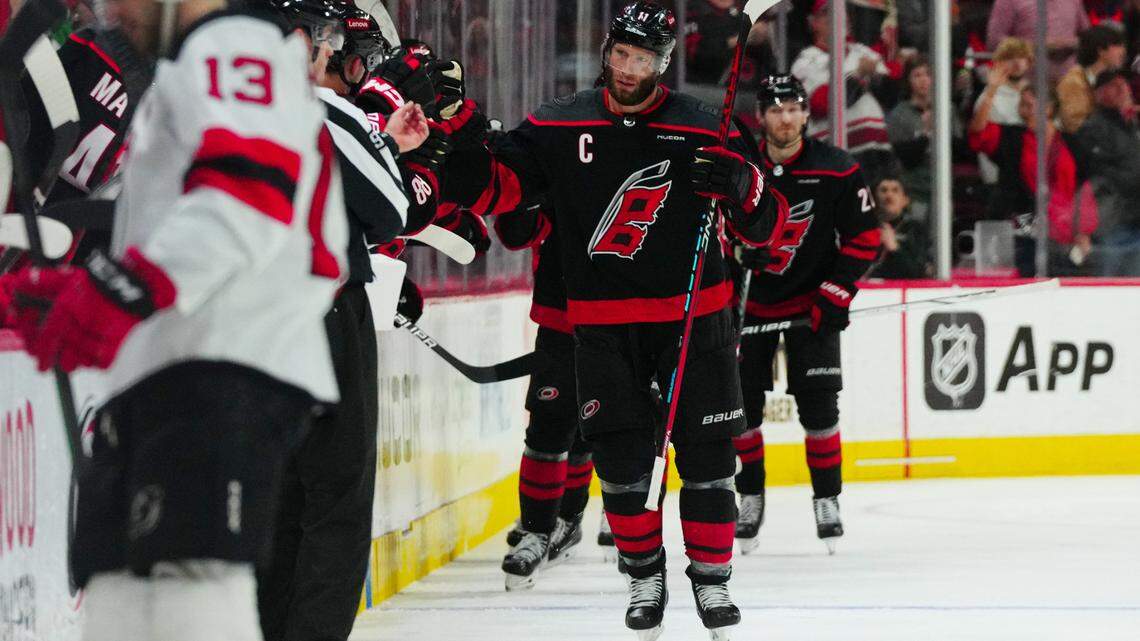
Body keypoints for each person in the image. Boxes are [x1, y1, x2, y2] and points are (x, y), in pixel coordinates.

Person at [1, 0, 349, 637]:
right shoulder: (196, 65)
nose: (108, 14)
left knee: (192, 576)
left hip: (223, 363)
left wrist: (115, 294)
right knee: (120, 577)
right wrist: (82, 289)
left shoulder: (234, 46)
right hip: (176, 363)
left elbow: (247, 198)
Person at [444, 3, 788, 639]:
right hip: (600, 324)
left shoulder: (704, 124)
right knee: (623, 464)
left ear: (662, 62)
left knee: (710, 461)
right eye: (621, 55)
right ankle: (643, 574)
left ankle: (712, 582)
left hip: (694, 320)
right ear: (608, 51)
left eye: (644, 59)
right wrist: (458, 130)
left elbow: (768, 228)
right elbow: (497, 189)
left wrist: (742, 184)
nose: (629, 69)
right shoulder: (555, 121)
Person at [255, 2, 427, 641]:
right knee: (335, 497)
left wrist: (385, 141)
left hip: (239, 325)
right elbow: (390, 211)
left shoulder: (203, 102)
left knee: (272, 496)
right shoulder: (324, 112)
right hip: (321, 316)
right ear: (306, 47)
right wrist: (386, 146)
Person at [733, 74, 880, 557]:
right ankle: (750, 497)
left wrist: (835, 293)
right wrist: (735, 254)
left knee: (820, 409)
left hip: (811, 306)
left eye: (793, 108)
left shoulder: (836, 169)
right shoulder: (738, 167)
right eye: (775, 110)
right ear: (761, 116)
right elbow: (708, 227)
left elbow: (864, 239)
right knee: (740, 412)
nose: (786, 118)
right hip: (746, 307)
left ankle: (827, 500)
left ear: (805, 114)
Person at [493, 199, 612, 589]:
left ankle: (588, 519)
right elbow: (515, 233)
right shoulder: (558, 151)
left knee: (609, 426)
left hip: (623, 316)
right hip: (561, 317)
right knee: (549, 429)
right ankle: (537, 531)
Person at [21, 23, 152, 259]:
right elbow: (24, 115)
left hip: (99, 240)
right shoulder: (95, 44)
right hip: (35, 197)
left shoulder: (187, 92)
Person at [970, 78, 1086, 276]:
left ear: (1049, 108)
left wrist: (1083, 231)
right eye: (1022, 103)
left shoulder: (1071, 143)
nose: (1024, 108)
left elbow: (1082, 188)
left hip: (1063, 233)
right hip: (1021, 232)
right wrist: (992, 89)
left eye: (1030, 103)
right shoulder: (1012, 137)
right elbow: (978, 132)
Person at [791, 0, 899, 185]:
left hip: (878, 153)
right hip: (836, 154)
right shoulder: (807, 61)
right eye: (828, 14)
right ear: (814, 22)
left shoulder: (863, 52)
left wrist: (878, 79)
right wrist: (858, 77)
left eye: (842, 13)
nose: (839, 18)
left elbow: (891, 96)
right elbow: (820, 104)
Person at [1075, 69, 1140, 276]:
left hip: (1134, 219)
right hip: (1111, 222)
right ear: (1097, 94)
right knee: (1107, 286)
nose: (1122, 89)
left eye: (1124, 84)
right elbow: (1101, 174)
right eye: (1113, 85)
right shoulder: (1093, 128)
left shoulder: (1133, 124)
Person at [986, 0, 1089, 82]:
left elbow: (1089, 37)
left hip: (1067, 86)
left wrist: (1072, 43)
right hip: (1025, 89)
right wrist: (1035, 45)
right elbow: (994, 42)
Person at [1058, 25, 1127, 133]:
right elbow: (1074, 126)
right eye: (1117, 45)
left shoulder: (1108, 80)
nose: (1123, 50)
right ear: (1101, 51)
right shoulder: (1073, 82)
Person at [867, 177, 932, 279]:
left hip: (903, 289)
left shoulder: (915, 229)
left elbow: (917, 272)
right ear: (874, 199)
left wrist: (894, 248)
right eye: (884, 190)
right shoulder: (863, 228)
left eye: (895, 190)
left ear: (905, 200)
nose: (889, 195)